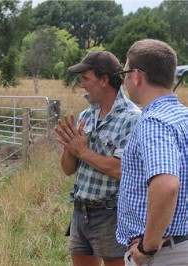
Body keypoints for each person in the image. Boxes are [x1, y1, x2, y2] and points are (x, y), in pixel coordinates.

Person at [55, 51, 141, 266]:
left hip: (111, 214)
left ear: (104, 80)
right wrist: (70, 147)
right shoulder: (87, 114)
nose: (82, 85)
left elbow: (121, 169)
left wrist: (83, 151)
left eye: (86, 79)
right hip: (81, 210)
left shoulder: (131, 118)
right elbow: (68, 170)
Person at [116, 39, 188, 265]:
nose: (125, 79)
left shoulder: (154, 122)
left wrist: (148, 247)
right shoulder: (182, 115)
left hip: (164, 254)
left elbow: (167, 185)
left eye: (125, 72)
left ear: (136, 76)